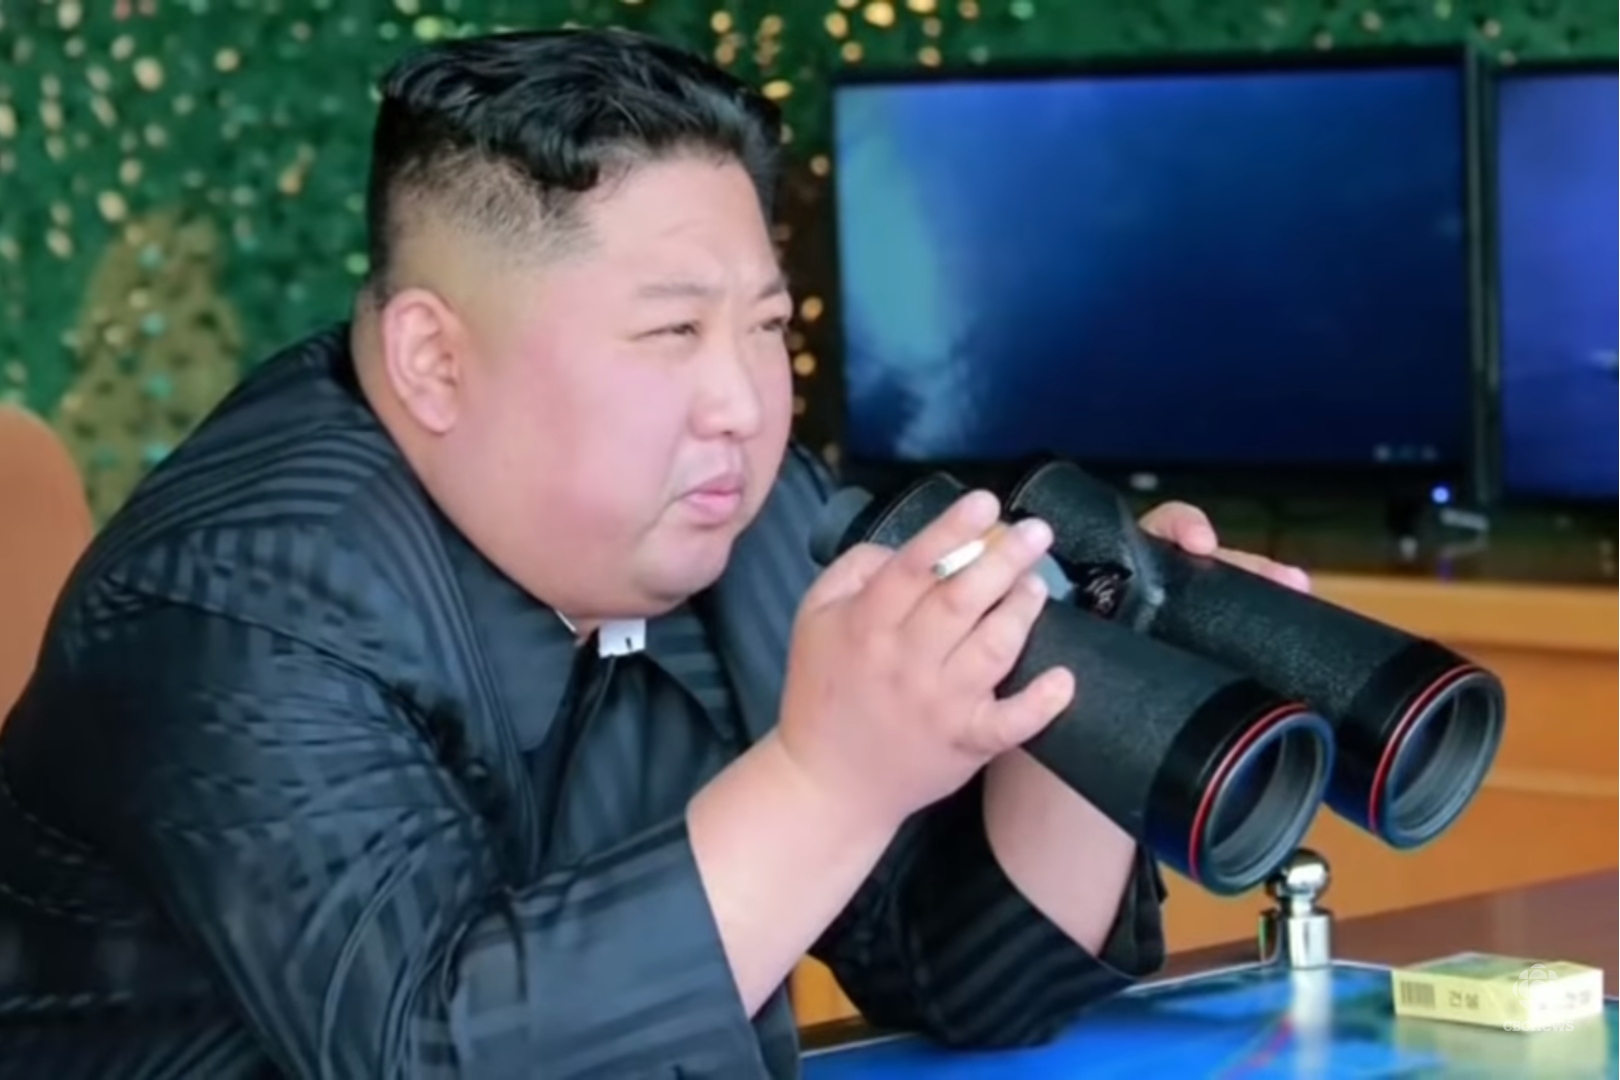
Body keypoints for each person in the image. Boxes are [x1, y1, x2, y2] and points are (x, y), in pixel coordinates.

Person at [0, 27, 1310, 1080]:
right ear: (434, 360)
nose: (744, 402)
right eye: (671, 334)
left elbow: (961, 983)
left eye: (765, 329)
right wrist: (830, 777)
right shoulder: (234, 599)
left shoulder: (747, 522)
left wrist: (1080, 699)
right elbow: (429, 1051)